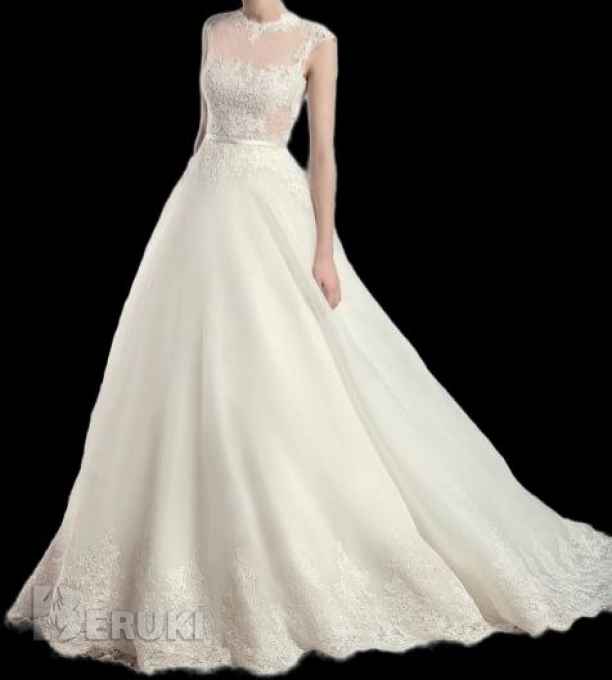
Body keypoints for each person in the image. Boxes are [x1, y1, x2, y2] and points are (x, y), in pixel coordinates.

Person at [6, 1, 612, 675]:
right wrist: (180, 221)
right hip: (200, 212)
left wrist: (323, 249)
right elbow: (202, 135)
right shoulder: (212, 29)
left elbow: (322, 153)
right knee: (175, 380)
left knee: (287, 375)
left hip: (273, 208)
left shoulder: (317, 42)